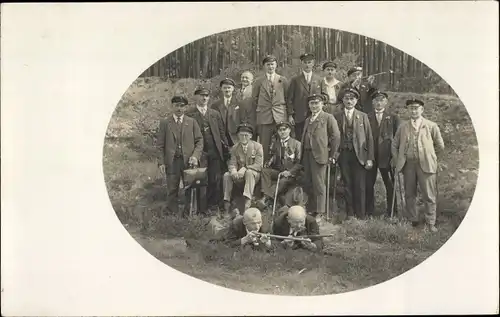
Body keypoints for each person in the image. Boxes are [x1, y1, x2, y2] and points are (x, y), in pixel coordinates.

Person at [391, 98, 445, 232]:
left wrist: (430, 156)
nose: (413, 110)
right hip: (408, 165)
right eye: (411, 108)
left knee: (429, 194)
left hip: (426, 164)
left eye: (416, 108)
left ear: (422, 110)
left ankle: (430, 221)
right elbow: (394, 144)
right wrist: (398, 160)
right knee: (409, 193)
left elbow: (440, 146)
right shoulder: (403, 126)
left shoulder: (431, 126)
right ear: (408, 110)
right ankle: (412, 219)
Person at [185, 87, 229, 214]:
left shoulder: (214, 114)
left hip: (214, 150)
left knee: (215, 179)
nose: (204, 98)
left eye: (206, 96)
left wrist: (225, 148)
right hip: (199, 152)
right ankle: (201, 209)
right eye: (201, 96)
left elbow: (222, 133)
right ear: (196, 97)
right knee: (201, 180)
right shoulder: (189, 114)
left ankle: (214, 206)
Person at [157, 95, 203, 215]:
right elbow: (160, 145)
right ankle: (172, 215)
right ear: (172, 106)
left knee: (189, 188)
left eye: (182, 106)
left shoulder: (192, 122)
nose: (179, 109)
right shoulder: (165, 123)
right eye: (176, 105)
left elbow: (199, 141)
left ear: (185, 108)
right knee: (172, 189)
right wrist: (161, 162)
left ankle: (189, 214)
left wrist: (195, 156)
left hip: (188, 161)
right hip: (172, 162)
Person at [299, 94, 341, 224]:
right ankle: (312, 209)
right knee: (308, 182)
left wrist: (332, 155)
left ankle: (321, 212)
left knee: (319, 184)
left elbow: (336, 137)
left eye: (317, 103)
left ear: (322, 104)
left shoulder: (328, 118)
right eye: (311, 103)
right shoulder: (308, 120)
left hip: (320, 155)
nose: (314, 106)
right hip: (306, 154)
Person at [334, 88, 375, 220]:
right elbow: (334, 137)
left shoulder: (363, 116)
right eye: (346, 98)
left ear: (356, 100)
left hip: (360, 155)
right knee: (347, 184)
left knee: (360, 185)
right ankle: (350, 213)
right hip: (344, 154)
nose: (349, 101)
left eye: (352, 99)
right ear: (343, 100)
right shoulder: (337, 116)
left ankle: (361, 214)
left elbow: (369, 138)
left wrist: (370, 158)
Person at [365, 91, 401, 217]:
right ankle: (369, 211)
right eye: (376, 100)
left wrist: (395, 157)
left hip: (387, 157)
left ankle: (392, 212)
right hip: (371, 157)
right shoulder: (366, 117)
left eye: (382, 100)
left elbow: (398, 139)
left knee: (390, 184)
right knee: (369, 184)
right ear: (373, 102)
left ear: (386, 102)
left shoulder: (393, 118)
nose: (379, 103)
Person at [252, 55, 289, 162]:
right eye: (268, 64)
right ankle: (264, 167)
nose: (270, 67)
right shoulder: (258, 81)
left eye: (272, 64)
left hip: (280, 116)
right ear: (264, 66)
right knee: (264, 144)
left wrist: (288, 114)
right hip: (264, 116)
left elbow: (287, 98)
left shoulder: (283, 80)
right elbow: (254, 99)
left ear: (276, 65)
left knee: (282, 143)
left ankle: (281, 166)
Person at [257, 121, 301, 210]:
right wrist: (269, 162)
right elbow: (273, 156)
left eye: (284, 129)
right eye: (280, 130)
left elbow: (300, 163)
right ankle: (268, 197)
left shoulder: (296, 144)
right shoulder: (276, 143)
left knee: (282, 182)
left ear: (289, 130)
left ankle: (265, 198)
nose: (282, 132)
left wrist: (290, 172)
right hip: (279, 171)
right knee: (265, 172)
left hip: (290, 174)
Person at [223, 123, 264, 215]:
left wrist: (245, 168)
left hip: (253, 176)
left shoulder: (257, 146)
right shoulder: (235, 148)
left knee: (249, 172)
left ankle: (247, 202)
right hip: (240, 177)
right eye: (241, 135)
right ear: (238, 136)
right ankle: (227, 203)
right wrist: (233, 170)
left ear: (250, 136)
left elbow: (259, 165)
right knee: (226, 175)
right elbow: (232, 163)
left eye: (246, 135)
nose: (243, 137)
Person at [287, 53, 322, 139]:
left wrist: (318, 100)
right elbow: (290, 99)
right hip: (299, 116)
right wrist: (290, 115)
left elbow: (325, 96)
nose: (307, 65)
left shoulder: (319, 79)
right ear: (301, 63)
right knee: (300, 138)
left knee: (315, 138)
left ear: (313, 63)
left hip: (315, 114)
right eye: (305, 62)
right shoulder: (295, 80)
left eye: (309, 62)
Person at [211, 78, 242, 147]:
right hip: (222, 138)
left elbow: (243, 120)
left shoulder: (239, 103)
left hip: (236, 137)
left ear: (233, 89)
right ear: (221, 89)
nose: (227, 90)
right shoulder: (215, 105)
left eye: (229, 88)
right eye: (224, 88)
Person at [237, 71, 257, 140]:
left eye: (247, 78)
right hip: (240, 120)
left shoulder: (255, 90)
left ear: (252, 80)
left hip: (252, 121)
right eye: (243, 77)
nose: (244, 79)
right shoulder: (237, 91)